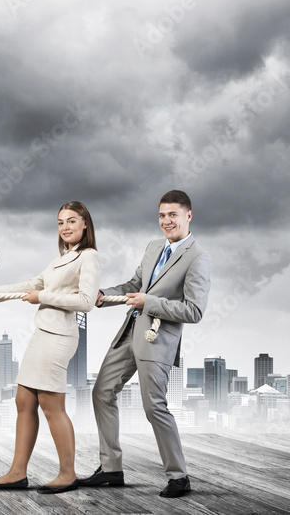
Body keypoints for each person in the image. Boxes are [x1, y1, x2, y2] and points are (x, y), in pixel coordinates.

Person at [78, 190, 210, 499]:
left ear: (188, 216)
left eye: (173, 215)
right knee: (102, 392)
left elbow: (194, 310)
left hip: (157, 338)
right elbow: (134, 286)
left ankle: (179, 477)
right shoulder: (153, 247)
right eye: (162, 215)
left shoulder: (198, 256)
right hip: (129, 332)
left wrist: (149, 302)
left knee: (154, 407)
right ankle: (111, 468)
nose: (166, 221)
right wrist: (103, 294)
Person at [0, 201, 100, 494]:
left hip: (58, 337)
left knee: (51, 406)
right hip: (42, 334)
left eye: (71, 221)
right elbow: (32, 283)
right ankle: (17, 472)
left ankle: (68, 474)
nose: (65, 227)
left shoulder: (89, 257)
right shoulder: (61, 258)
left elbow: (86, 301)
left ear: (85, 225)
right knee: (24, 401)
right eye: (60, 222)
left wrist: (44, 296)